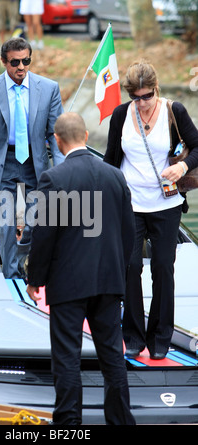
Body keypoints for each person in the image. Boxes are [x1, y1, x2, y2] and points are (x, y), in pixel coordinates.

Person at [26, 112, 136, 425]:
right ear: (86, 136)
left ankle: (69, 425)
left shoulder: (54, 179)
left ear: (58, 143)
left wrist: (36, 278)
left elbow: (44, 235)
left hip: (69, 283)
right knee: (112, 356)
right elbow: (129, 232)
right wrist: (120, 271)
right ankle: (121, 421)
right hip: (109, 281)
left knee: (67, 357)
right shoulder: (116, 176)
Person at [104, 60, 198, 360]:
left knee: (162, 268)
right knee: (130, 268)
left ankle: (160, 336)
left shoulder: (174, 111)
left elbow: (197, 147)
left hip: (166, 204)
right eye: (136, 97)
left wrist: (183, 165)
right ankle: (132, 334)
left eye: (147, 96)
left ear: (156, 89)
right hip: (130, 203)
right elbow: (110, 160)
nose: (142, 103)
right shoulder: (120, 115)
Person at [0, 37, 64, 279]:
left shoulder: (49, 88)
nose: (21, 67)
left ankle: (25, 267)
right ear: (3, 62)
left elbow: (55, 135)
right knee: (6, 224)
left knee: (35, 222)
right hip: (3, 163)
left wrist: (62, 169)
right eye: (15, 62)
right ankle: (10, 276)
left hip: (36, 162)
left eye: (26, 61)